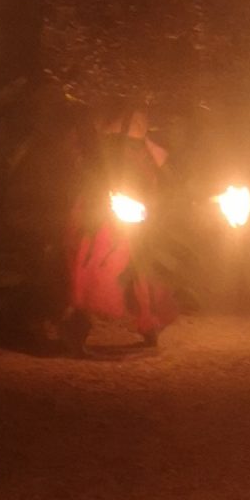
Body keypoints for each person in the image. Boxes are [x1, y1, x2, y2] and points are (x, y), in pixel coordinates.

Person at [61, 110, 180, 353]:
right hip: (100, 207)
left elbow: (157, 170)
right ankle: (78, 325)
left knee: (140, 267)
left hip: (132, 206)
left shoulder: (139, 132)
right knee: (94, 265)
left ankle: (149, 324)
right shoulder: (99, 123)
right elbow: (87, 164)